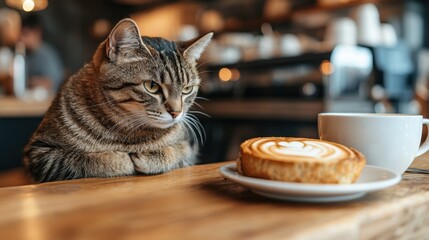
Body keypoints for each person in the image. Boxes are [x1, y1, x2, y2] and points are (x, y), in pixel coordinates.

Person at [20, 14, 64, 94]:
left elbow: (51, 83)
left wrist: (27, 81)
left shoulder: (47, 54)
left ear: (37, 32)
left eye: (25, 34)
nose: (21, 38)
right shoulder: (23, 54)